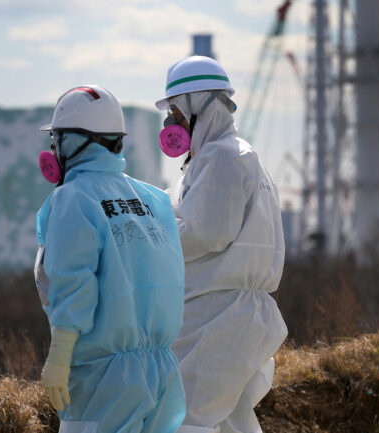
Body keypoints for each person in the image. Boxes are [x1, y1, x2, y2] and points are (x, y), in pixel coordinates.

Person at [34, 85, 187, 433]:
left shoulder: (74, 198)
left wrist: (60, 355)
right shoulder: (153, 200)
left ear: (75, 142)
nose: (53, 149)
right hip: (161, 371)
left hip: (103, 379)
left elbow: (74, 283)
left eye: (57, 139)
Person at [155, 56, 289, 433]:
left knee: (186, 419)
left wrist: (150, 231)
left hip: (218, 314)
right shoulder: (226, 156)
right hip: (232, 313)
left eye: (177, 112)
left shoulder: (222, 156)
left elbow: (204, 233)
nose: (172, 124)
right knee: (231, 422)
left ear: (201, 105)